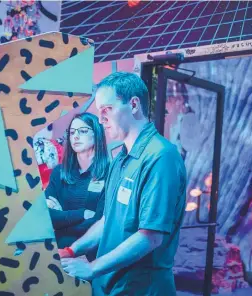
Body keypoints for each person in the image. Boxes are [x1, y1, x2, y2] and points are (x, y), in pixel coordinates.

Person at [59, 72, 187, 296]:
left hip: (141, 288)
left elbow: (151, 236)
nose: (101, 119)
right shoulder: (121, 158)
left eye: (106, 110)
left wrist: (91, 268)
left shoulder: (161, 157)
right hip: (110, 285)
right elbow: (109, 219)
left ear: (134, 104)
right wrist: (71, 250)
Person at [45, 112, 109, 261]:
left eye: (83, 131)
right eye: (72, 132)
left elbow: (98, 222)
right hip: (56, 255)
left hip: (91, 258)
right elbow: (46, 216)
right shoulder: (59, 173)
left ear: (97, 134)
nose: (75, 136)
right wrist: (81, 214)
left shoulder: (109, 173)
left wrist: (62, 221)